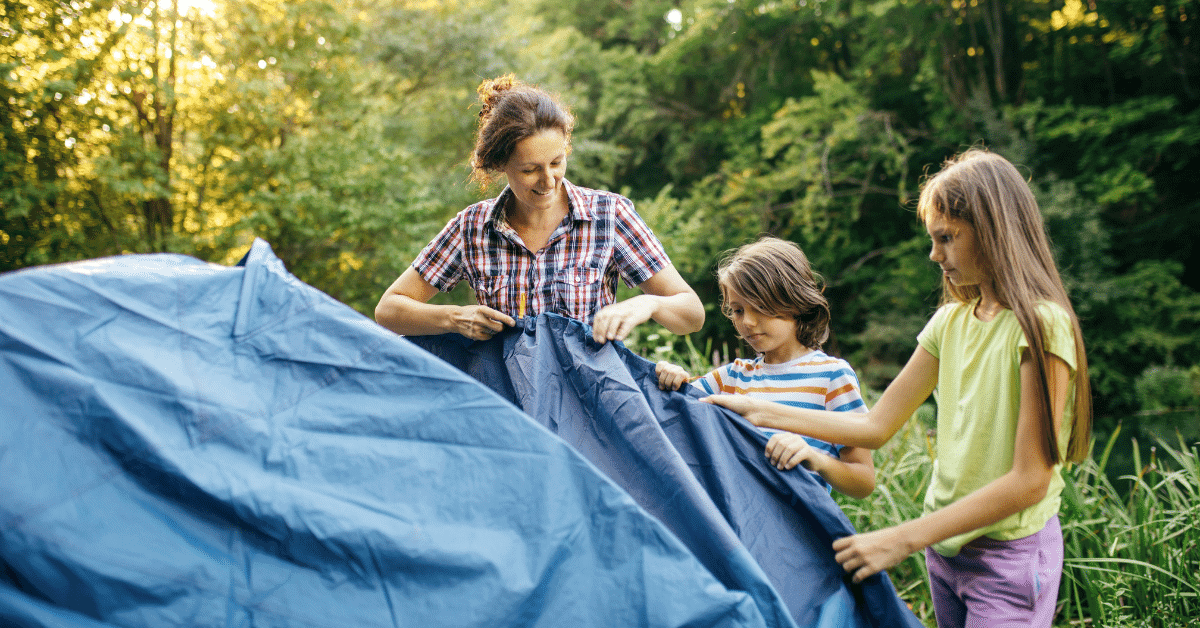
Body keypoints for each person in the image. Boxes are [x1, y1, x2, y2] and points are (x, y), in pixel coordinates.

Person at [704, 149, 1093, 627]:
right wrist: (757, 410)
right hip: (947, 556)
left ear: (993, 230)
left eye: (945, 238)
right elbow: (875, 426)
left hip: (1008, 555)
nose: (934, 254)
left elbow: (1029, 481)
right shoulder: (949, 323)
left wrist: (903, 537)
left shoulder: (1041, 327)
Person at [375, 75, 704, 344]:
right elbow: (389, 310)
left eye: (557, 162)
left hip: (590, 403)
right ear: (501, 164)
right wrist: (454, 317)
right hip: (509, 405)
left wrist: (648, 304)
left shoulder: (609, 216)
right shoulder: (471, 228)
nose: (549, 181)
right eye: (530, 169)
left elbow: (691, 314)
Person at [656, 236, 875, 499]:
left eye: (760, 307)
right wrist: (672, 378)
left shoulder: (832, 377)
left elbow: (863, 481)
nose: (747, 321)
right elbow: (674, 408)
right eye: (737, 310)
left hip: (798, 531)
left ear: (794, 302)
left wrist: (816, 459)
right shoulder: (731, 377)